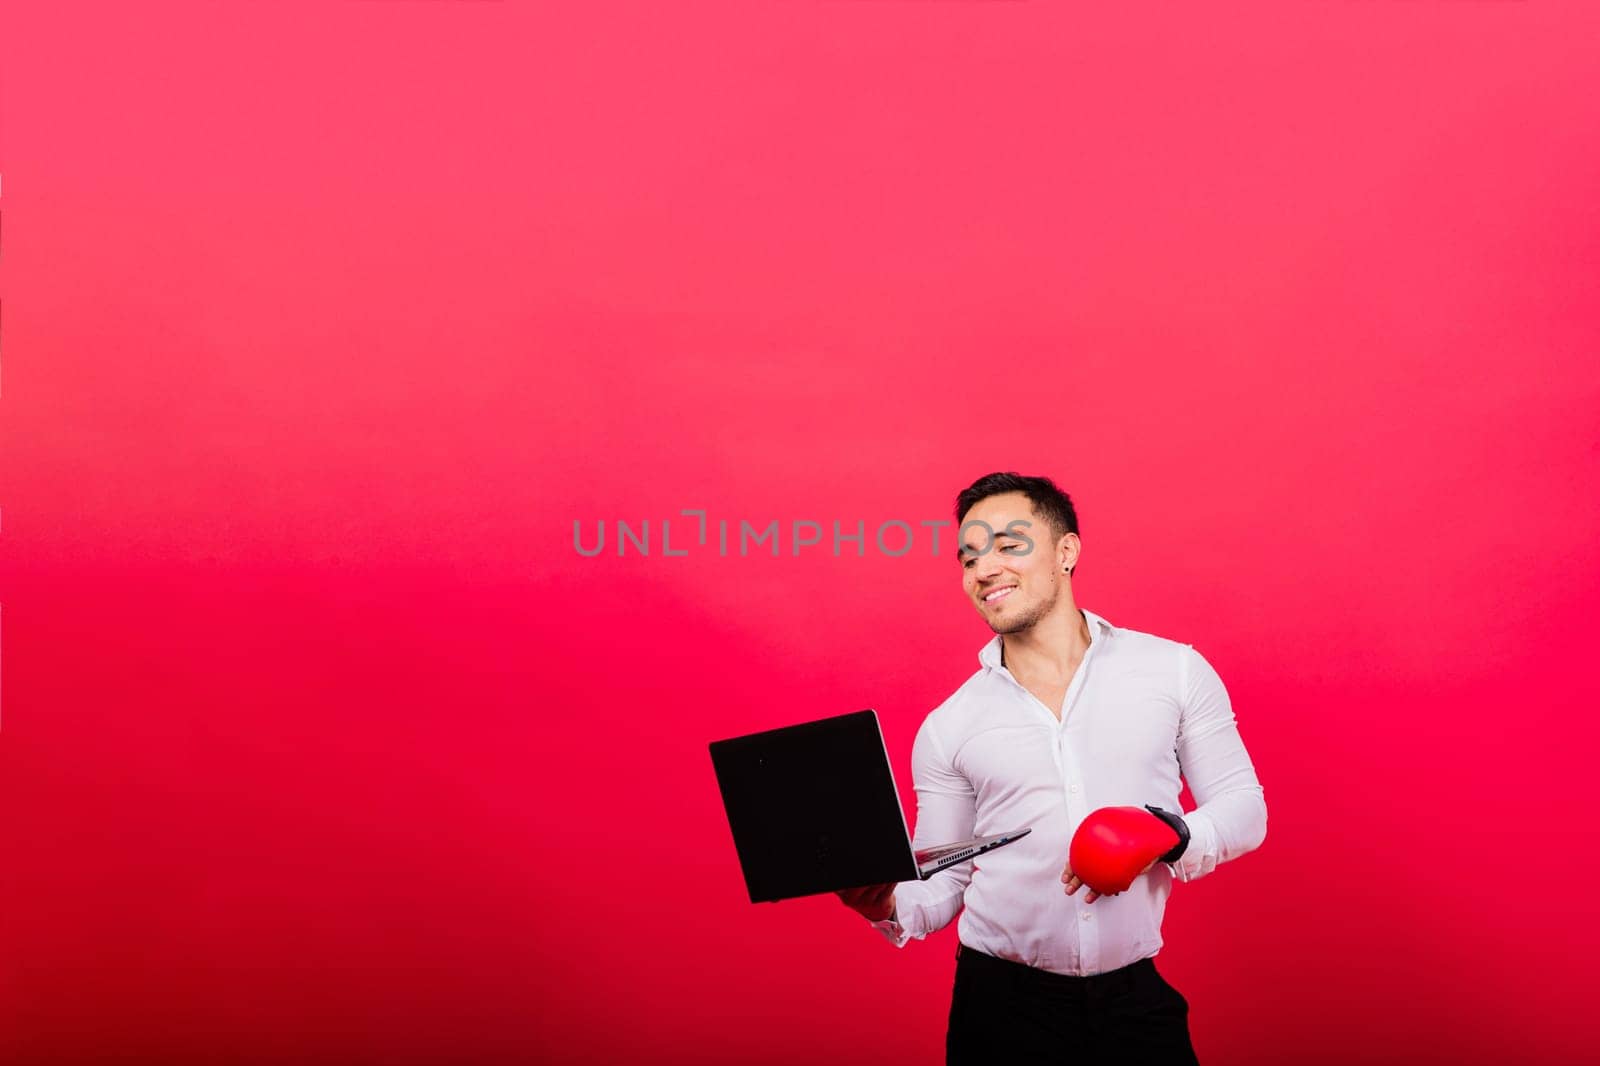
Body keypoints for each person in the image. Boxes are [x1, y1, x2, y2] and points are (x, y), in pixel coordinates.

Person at [836, 472, 1267, 1064]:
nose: (984, 569)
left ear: (1067, 552)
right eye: (969, 558)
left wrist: (1172, 833)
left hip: (1134, 1001)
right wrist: (883, 905)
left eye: (1009, 545)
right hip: (1000, 1012)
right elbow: (946, 879)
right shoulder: (949, 726)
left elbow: (1245, 808)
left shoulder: (1174, 671)